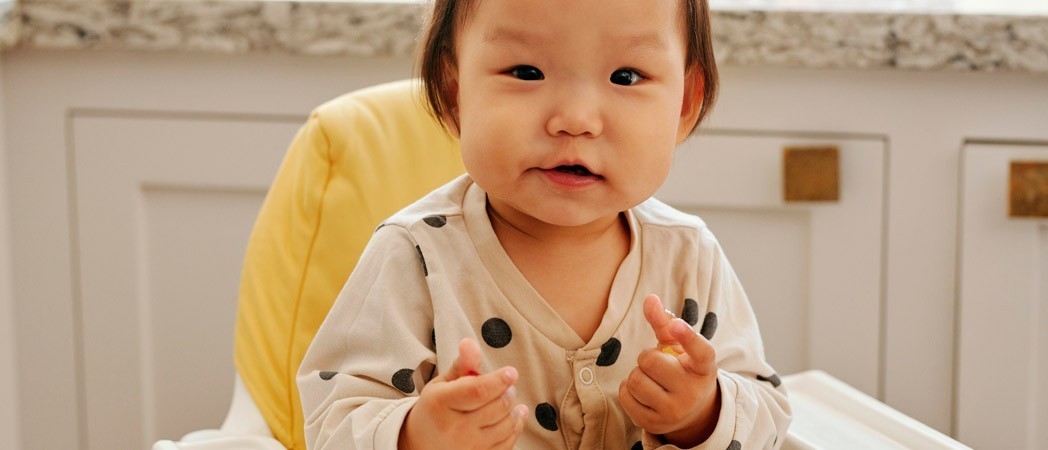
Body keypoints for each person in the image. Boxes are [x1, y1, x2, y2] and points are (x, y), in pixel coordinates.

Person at [297, 0, 791, 448]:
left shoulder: (689, 256)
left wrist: (703, 413)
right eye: (527, 71)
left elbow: (767, 411)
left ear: (684, 103)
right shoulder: (416, 256)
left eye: (626, 76)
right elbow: (333, 420)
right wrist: (417, 435)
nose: (575, 119)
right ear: (455, 94)